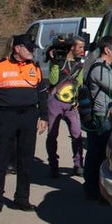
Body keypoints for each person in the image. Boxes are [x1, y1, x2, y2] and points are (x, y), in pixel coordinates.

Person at [0, 35, 47, 216]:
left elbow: (42, 95)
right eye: (28, 47)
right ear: (17, 48)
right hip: (5, 116)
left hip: (29, 116)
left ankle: (21, 199)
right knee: (1, 159)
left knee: (26, 160)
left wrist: (44, 117)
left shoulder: (35, 68)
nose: (32, 50)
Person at [82, 38, 112, 201]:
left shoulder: (107, 67)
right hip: (100, 117)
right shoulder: (99, 68)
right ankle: (92, 189)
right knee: (97, 154)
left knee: (101, 153)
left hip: (106, 115)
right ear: (107, 50)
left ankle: (94, 187)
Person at [45, 36, 85, 179]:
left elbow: (79, 83)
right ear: (71, 48)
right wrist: (55, 62)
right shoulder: (58, 62)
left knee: (77, 134)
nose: (82, 50)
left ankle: (78, 164)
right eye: (80, 47)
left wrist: (76, 98)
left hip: (71, 104)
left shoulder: (79, 64)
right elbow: (53, 80)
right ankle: (53, 165)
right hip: (55, 102)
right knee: (52, 135)